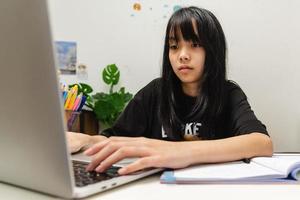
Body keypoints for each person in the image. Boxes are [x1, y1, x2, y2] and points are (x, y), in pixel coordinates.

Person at [67, 6, 273, 175]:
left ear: (213, 49)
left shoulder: (228, 94)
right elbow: (116, 138)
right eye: (174, 46)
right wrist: (87, 140)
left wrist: (182, 152)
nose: (182, 55)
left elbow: (262, 143)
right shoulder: (155, 92)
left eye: (195, 44)